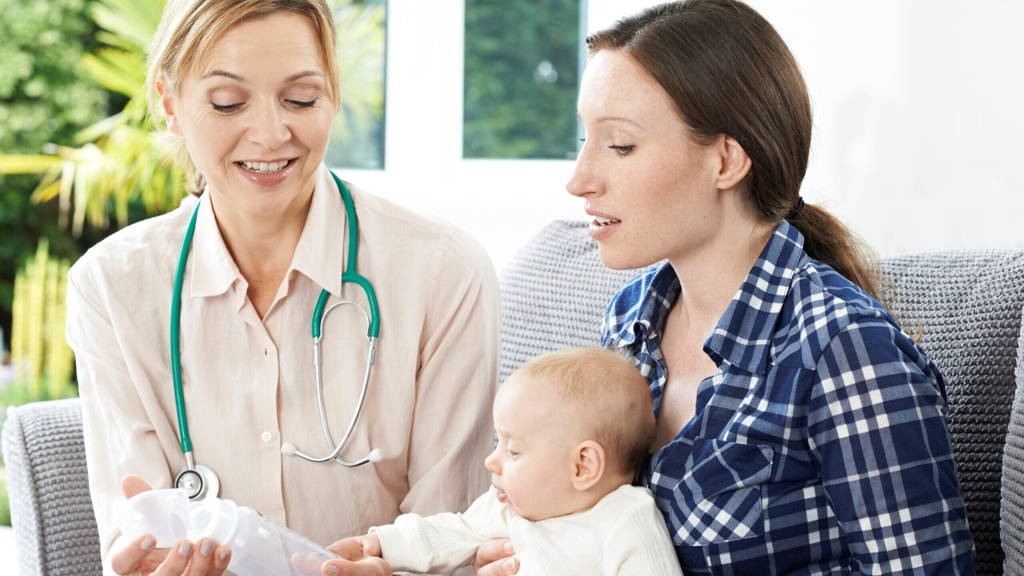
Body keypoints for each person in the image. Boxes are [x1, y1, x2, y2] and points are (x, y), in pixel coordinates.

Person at [65, 2, 499, 575]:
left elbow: (455, 540)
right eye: (228, 102)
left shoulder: (443, 273)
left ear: (334, 96)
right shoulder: (112, 286)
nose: (271, 134)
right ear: (170, 106)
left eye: (301, 99)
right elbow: (139, 523)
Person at [559, 0, 974, 574]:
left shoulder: (843, 349)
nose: (578, 179)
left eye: (620, 145)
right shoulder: (632, 320)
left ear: (726, 160)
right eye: (584, 139)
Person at [325, 347, 682, 576]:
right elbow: (447, 533)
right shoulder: (507, 509)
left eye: (513, 451)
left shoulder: (625, 521)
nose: (490, 462)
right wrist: (377, 544)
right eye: (499, 443)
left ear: (582, 466)